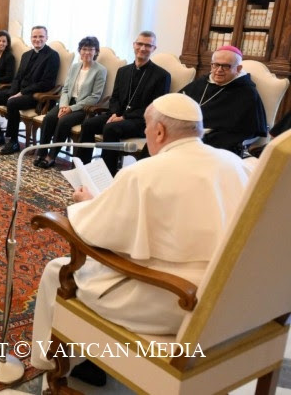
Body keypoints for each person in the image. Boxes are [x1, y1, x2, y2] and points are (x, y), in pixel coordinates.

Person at [29, 93, 252, 385]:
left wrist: (87, 203)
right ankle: (91, 358)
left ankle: (56, 365)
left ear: (159, 131)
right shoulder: (234, 163)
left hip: (173, 300)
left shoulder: (143, 172)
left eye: (147, 127)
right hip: (227, 295)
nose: (145, 133)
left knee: (57, 270)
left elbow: (93, 233)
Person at [76, 31, 170, 174]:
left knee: (110, 128)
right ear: (134, 45)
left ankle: (107, 173)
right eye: (140, 44)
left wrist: (124, 117)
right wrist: (114, 113)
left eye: (148, 45)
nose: (143, 48)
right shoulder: (123, 71)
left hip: (141, 121)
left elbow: (154, 108)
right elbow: (115, 98)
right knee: (88, 124)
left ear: (154, 49)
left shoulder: (162, 76)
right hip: (117, 115)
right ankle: (83, 169)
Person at [0, 26, 59, 152]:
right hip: (18, 92)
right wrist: (13, 91)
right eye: (34, 36)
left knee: (12, 102)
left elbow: (47, 83)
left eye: (41, 36)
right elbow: (17, 77)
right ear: (31, 38)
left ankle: (13, 142)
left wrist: (21, 93)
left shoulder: (52, 56)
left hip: (35, 95)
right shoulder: (26, 55)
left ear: (46, 38)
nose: (37, 39)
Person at [32, 36, 106, 165]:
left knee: (63, 121)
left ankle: (51, 156)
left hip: (83, 107)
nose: (87, 52)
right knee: (49, 118)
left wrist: (71, 108)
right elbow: (66, 89)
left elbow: (95, 97)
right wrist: (63, 106)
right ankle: (41, 153)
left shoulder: (100, 70)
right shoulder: (75, 67)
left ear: (96, 51)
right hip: (67, 102)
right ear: (80, 50)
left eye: (90, 49)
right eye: (84, 49)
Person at [180, 45, 266, 155]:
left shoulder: (247, 92)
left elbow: (247, 129)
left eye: (226, 66)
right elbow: (179, 100)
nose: (219, 70)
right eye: (215, 65)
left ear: (238, 69)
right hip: (189, 134)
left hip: (217, 143)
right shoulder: (202, 82)